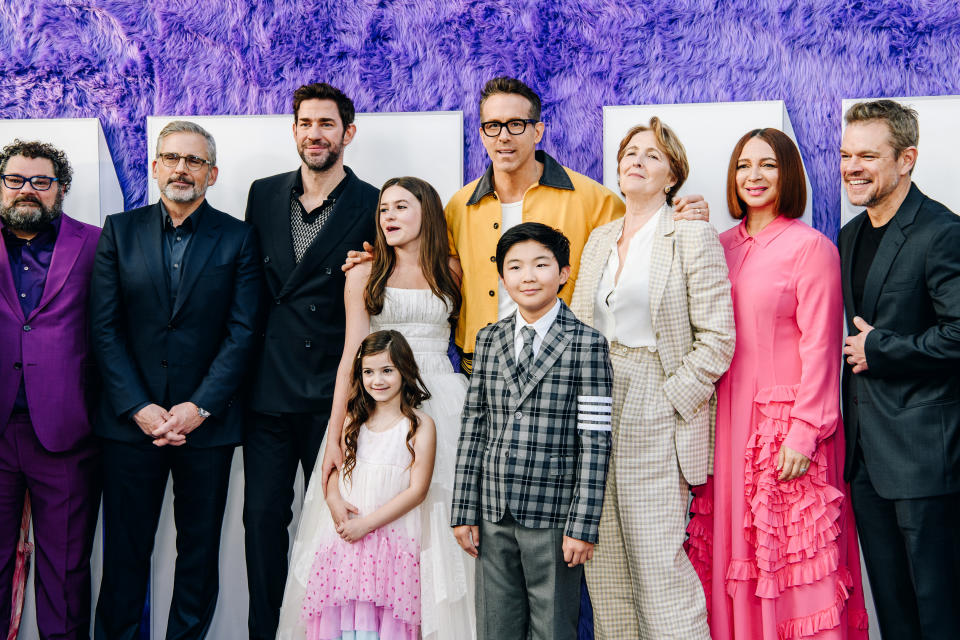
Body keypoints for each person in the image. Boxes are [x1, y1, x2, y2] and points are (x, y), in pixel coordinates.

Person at [686, 127, 869, 640]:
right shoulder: (717, 246)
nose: (754, 176)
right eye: (744, 165)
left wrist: (805, 432)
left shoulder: (811, 248)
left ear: (788, 173)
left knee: (790, 561)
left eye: (768, 164)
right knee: (733, 553)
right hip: (725, 429)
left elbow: (822, 348)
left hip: (782, 432)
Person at [278, 177, 474, 639]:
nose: (388, 216)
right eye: (383, 209)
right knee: (369, 503)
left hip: (441, 397)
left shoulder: (454, 268)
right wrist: (333, 435)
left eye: (401, 207)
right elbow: (351, 355)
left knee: (439, 521)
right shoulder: (364, 272)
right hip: (380, 403)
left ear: (426, 212)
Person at [90, 120, 261, 639]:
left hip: (206, 428)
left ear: (211, 172)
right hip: (129, 427)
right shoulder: (119, 231)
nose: (181, 169)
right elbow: (104, 328)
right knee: (123, 553)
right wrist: (138, 407)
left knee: (199, 554)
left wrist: (199, 406)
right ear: (155, 166)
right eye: (172, 158)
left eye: (193, 160)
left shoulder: (238, 236)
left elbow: (243, 331)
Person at [570, 118, 734, 640]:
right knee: (606, 566)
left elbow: (718, 339)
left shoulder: (690, 233)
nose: (636, 160)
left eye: (652, 155)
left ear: (672, 176)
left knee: (658, 562)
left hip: (654, 395)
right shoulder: (598, 239)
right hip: (593, 400)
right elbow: (578, 327)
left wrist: (666, 401)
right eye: (629, 152)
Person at [441, 76, 710, 374]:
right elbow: (443, 278)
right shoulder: (458, 206)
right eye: (493, 126)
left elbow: (645, 235)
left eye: (516, 124)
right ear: (482, 134)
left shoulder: (595, 200)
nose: (503, 136)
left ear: (537, 131)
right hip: (481, 363)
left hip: (562, 366)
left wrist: (681, 212)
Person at [243, 82, 379, 640]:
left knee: (330, 529)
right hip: (267, 392)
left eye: (326, 124)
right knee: (262, 527)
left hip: (334, 392)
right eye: (305, 123)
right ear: (294, 130)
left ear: (347, 133)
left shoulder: (373, 201)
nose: (315, 133)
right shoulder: (262, 193)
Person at [452, 222, 614, 640]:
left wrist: (583, 523)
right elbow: (474, 427)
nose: (528, 276)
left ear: (563, 272)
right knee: (496, 626)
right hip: (493, 510)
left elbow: (596, 441)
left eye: (541, 264)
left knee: (553, 627)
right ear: (502, 277)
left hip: (554, 516)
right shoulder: (488, 340)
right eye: (516, 266)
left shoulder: (587, 344)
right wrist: (464, 509)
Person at [838, 100, 960, 639]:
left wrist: (881, 350)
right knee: (893, 609)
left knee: (939, 610)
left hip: (925, 459)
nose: (852, 167)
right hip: (866, 457)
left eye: (868, 155)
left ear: (906, 159)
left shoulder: (941, 232)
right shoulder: (848, 235)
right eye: (845, 154)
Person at [0, 140, 100, 639]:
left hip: (65, 434)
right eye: (16, 179)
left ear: (60, 190)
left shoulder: (96, 243)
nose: (28, 190)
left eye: (42, 182)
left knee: (64, 573)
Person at [288, 329, 436, 639]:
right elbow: (334, 473)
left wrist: (366, 525)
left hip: (389, 544)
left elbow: (417, 490)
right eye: (368, 371)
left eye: (387, 370)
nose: (377, 380)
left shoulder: (419, 425)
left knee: (381, 626)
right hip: (345, 545)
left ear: (404, 371)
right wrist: (333, 500)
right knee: (342, 624)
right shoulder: (353, 420)